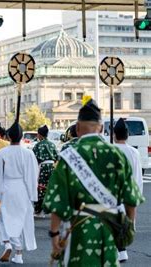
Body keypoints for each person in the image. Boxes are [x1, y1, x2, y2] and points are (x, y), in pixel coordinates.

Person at [43, 99, 144, 266]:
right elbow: (131, 200)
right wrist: (127, 230)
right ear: (102, 128)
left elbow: (58, 203)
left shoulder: (68, 157)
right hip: (109, 230)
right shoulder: (117, 155)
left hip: (77, 232)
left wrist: (54, 235)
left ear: (77, 128)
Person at [0, 122, 39, 264]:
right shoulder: (28, 153)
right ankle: (19, 255)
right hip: (23, 189)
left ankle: (8, 244)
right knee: (21, 221)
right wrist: (32, 194)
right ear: (22, 136)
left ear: (8, 136)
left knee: (4, 220)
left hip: (8, 188)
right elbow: (32, 175)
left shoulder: (2, 153)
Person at [113, 117, 144, 263]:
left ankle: (118, 249)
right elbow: (138, 175)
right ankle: (122, 247)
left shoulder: (110, 150)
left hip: (113, 192)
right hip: (130, 190)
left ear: (114, 134)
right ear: (128, 135)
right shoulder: (134, 152)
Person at [32, 125, 58, 215]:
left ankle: (38, 208)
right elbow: (57, 157)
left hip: (42, 167)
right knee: (50, 186)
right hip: (52, 167)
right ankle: (50, 206)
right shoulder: (52, 144)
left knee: (40, 187)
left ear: (40, 135)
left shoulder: (38, 145)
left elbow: (34, 158)